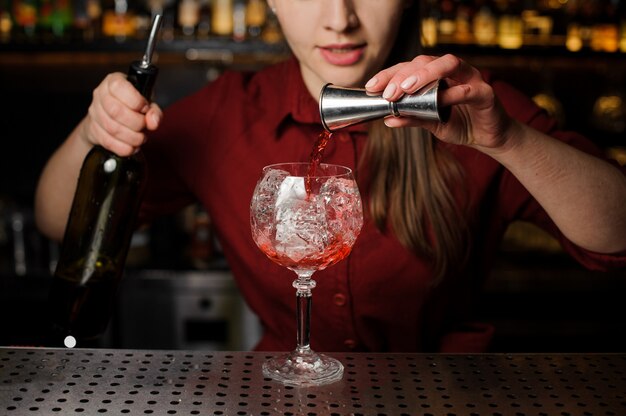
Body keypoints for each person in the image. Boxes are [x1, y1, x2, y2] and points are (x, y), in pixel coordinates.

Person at [35, 0, 626, 353]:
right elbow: (58, 221)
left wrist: (510, 141)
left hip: (446, 395)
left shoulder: (473, 106)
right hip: (283, 397)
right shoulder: (226, 115)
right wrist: (96, 133)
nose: (340, 19)